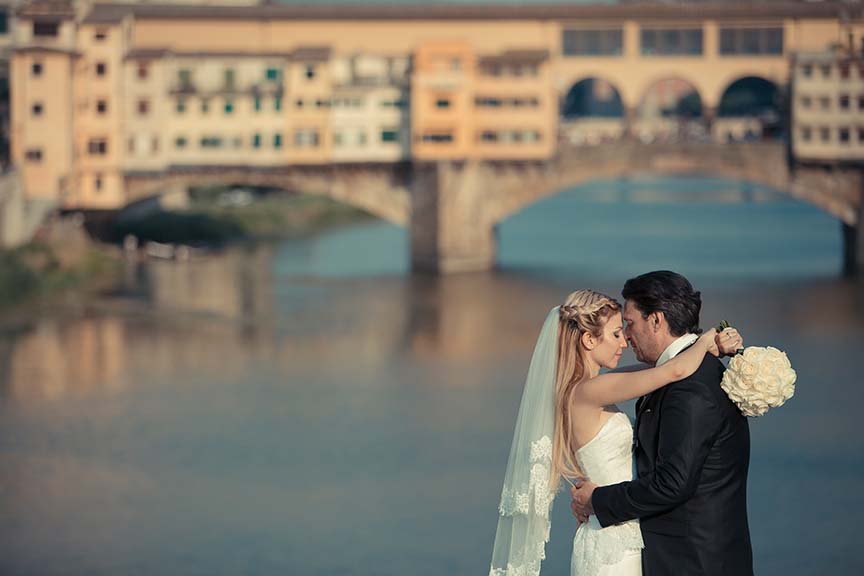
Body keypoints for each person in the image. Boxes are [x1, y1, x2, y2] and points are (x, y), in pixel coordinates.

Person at [490, 282, 743, 576]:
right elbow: (672, 371)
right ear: (588, 340)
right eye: (615, 333)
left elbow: (659, 367)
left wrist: (710, 350)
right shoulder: (589, 392)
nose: (624, 342)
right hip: (612, 546)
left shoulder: (590, 388)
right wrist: (704, 340)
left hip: (616, 531)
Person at [570, 271, 753, 576]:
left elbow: (672, 483)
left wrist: (597, 500)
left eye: (629, 324)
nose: (626, 337)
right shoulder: (687, 371)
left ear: (656, 321)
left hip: (693, 563)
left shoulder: (689, 387)